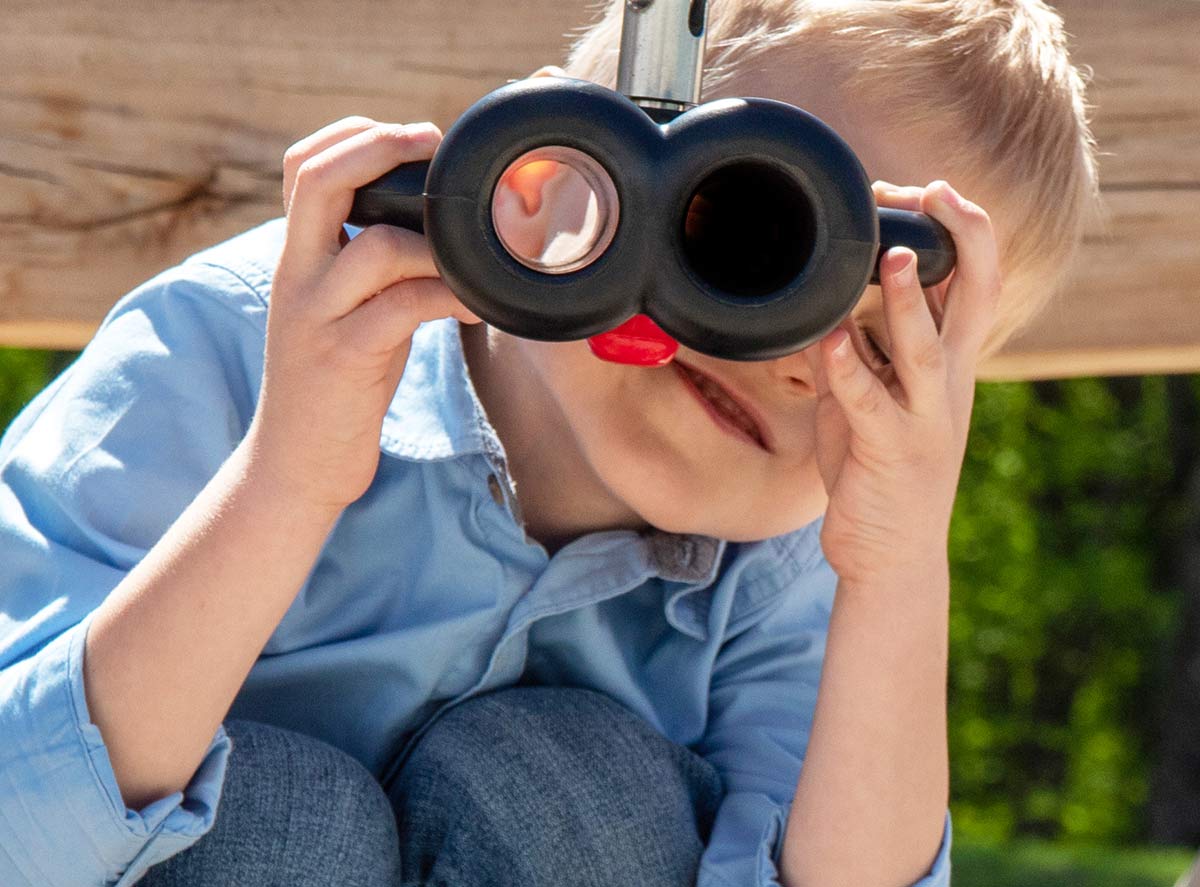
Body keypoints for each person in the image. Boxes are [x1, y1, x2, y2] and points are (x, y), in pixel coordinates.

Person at [0, 1, 1099, 885]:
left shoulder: (801, 557)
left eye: (886, 344)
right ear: (547, 177)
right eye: (759, 241)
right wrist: (286, 481)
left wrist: (899, 570)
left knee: (569, 789)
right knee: (286, 821)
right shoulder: (240, 346)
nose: (807, 360)